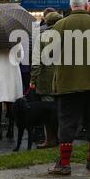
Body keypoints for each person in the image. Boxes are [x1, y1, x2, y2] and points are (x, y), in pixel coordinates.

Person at [48, 0, 90, 175]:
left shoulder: (60, 25)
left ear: (71, 6)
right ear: (86, 6)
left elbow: (50, 54)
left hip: (68, 83)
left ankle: (65, 163)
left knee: (67, 123)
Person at [30, 11, 63, 148]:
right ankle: (62, 138)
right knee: (62, 111)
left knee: (48, 113)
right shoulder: (67, 36)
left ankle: (51, 139)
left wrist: (33, 79)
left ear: (47, 22)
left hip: (46, 80)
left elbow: (36, 61)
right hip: (63, 78)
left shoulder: (42, 37)